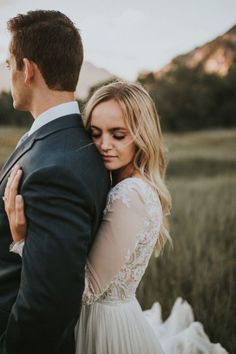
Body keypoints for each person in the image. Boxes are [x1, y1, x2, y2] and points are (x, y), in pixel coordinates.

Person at [4, 81, 230, 354]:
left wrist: (22, 239)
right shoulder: (119, 182)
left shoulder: (131, 194)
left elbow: (85, 290)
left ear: (141, 135)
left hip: (103, 330)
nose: (104, 145)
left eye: (118, 135)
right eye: (96, 133)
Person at [0, 10, 109, 354]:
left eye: (9, 64)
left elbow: (47, 305)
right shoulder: (53, 138)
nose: (8, 73)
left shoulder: (58, 167)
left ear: (28, 69)